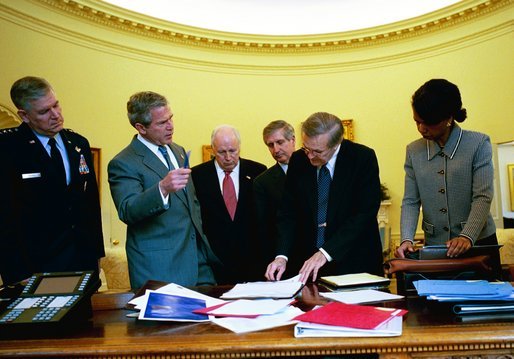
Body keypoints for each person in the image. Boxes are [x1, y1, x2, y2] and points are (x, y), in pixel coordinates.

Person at [108, 91, 219, 290]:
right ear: (140, 127)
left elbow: (190, 203)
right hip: (159, 267)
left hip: (199, 263)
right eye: (161, 123)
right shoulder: (123, 162)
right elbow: (127, 210)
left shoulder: (178, 150)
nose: (170, 126)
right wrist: (162, 188)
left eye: (171, 118)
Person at [0, 76, 104, 285]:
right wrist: (17, 272)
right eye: (44, 111)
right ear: (24, 115)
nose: (56, 115)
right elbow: (4, 216)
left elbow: (90, 206)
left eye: (56, 105)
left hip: (82, 263)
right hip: (36, 268)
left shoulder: (78, 143)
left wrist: (96, 256)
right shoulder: (7, 148)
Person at [265, 112, 384, 283]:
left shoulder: (362, 158)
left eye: (317, 151)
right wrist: (281, 255)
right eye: (307, 148)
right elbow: (288, 212)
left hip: (354, 260)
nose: (310, 156)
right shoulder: (299, 160)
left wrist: (326, 252)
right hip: (309, 266)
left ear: (336, 144)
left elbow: (364, 213)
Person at [396, 79, 500, 271]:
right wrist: (406, 239)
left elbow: (483, 196)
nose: (421, 129)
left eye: (428, 123)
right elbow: (410, 201)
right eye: (417, 122)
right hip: (436, 248)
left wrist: (467, 236)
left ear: (448, 118)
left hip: (479, 245)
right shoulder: (413, 151)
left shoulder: (478, 143)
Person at [192, 125, 267, 284]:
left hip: (253, 263)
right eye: (221, 152)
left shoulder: (258, 171)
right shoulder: (197, 176)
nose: (228, 157)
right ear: (213, 149)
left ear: (240, 147)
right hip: (215, 264)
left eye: (232, 151)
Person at [253, 120, 296, 272]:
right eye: (270, 145)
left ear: (293, 140)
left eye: (280, 142)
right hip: (284, 259)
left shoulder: (315, 168)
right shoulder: (262, 182)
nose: (276, 149)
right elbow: (265, 228)